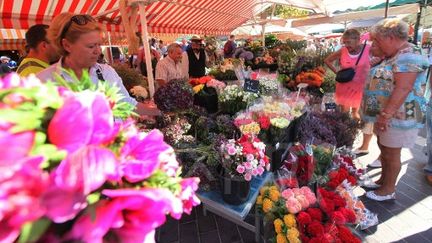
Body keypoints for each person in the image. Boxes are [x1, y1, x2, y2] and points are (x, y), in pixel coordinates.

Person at [362, 19, 429, 201]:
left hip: (398, 115)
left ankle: (388, 189)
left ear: (390, 37)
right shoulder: (394, 54)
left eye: (378, 41)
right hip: (388, 114)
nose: (376, 45)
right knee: (384, 148)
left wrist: (386, 115)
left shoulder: (409, 55)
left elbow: (403, 88)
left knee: (392, 153)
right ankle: (382, 181)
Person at [37, 13, 136, 107]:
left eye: (99, 45)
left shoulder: (106, 72)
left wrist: (151, 111)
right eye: (91, 46)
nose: (98, 51)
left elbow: (126, 102)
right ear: (67, 45)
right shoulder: (44, 81)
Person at [325, 29, 371, 120]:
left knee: (356, 115)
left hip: (360, 88)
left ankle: (354, 131)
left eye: (349, 42)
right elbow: (327, 60)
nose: (346, 45)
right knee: (344, 115)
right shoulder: (343, 50)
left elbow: (381, 58)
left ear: (358, 40)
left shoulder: (368, 49)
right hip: (344, 87)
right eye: (344, 42)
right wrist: (336, 72)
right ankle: (345, 132)